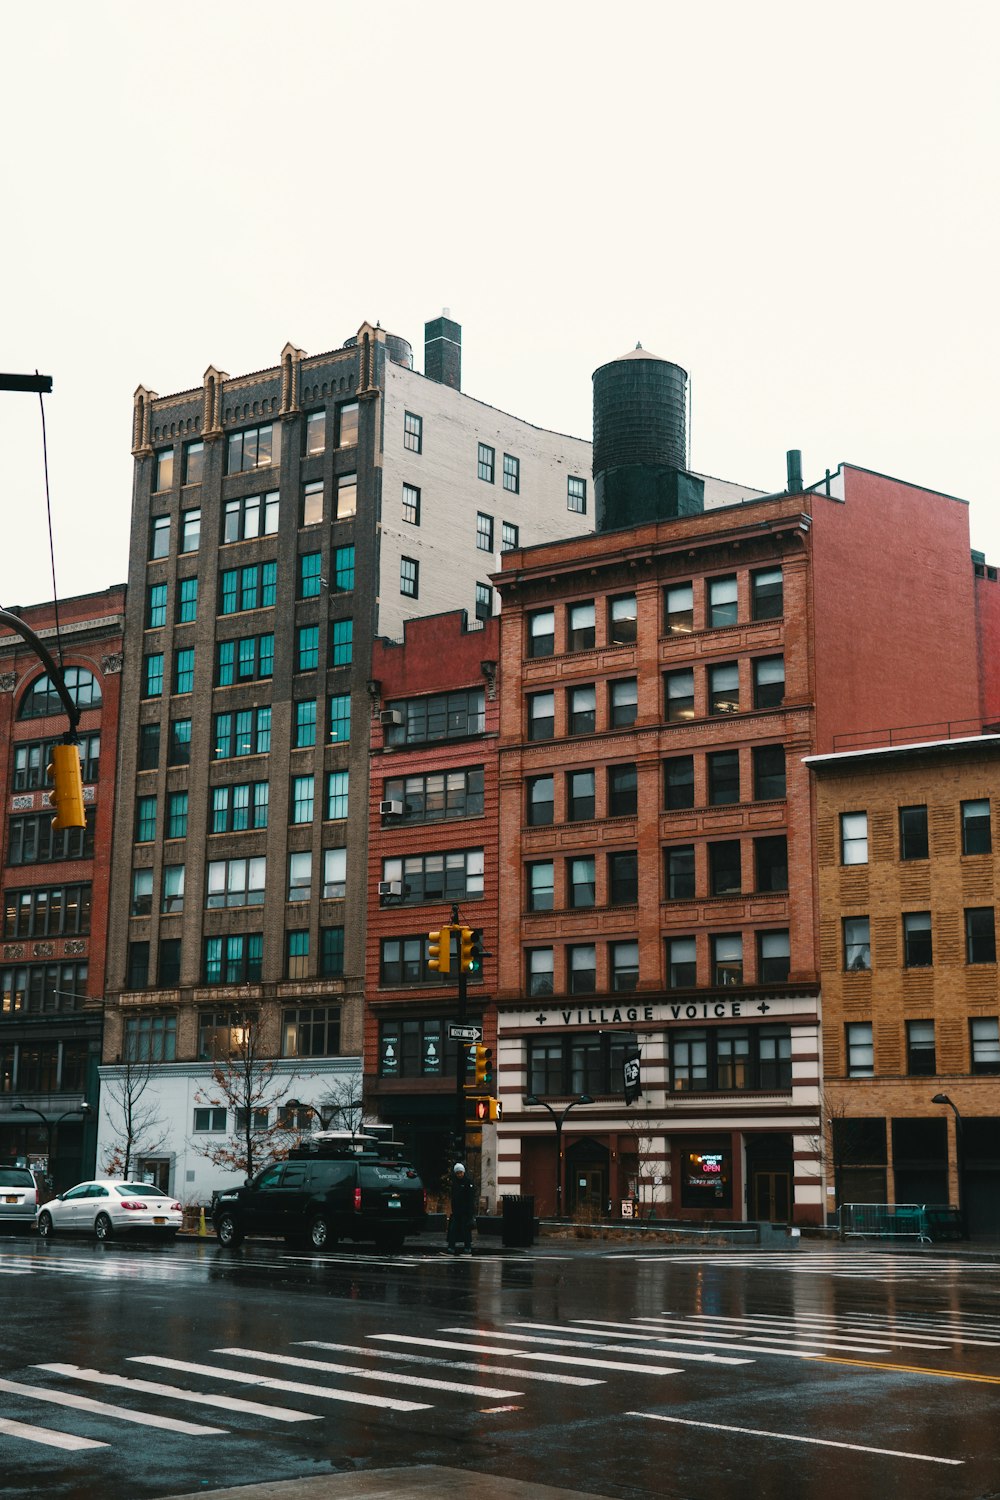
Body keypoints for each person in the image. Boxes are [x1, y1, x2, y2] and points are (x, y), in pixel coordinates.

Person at [447, 1162, 476, 1255]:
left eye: (461, 1172)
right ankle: (451, 1247)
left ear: (463, 1172)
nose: (459, 1174)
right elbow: (453, 1197)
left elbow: (470, 1198)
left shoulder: (468, 1182)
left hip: (465, 1211)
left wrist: (470, 1212)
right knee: (453, 1230)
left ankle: (467, 1247)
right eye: (458, 1173)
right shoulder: (455, 1183)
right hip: (456, 1211)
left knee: (466, 1230)